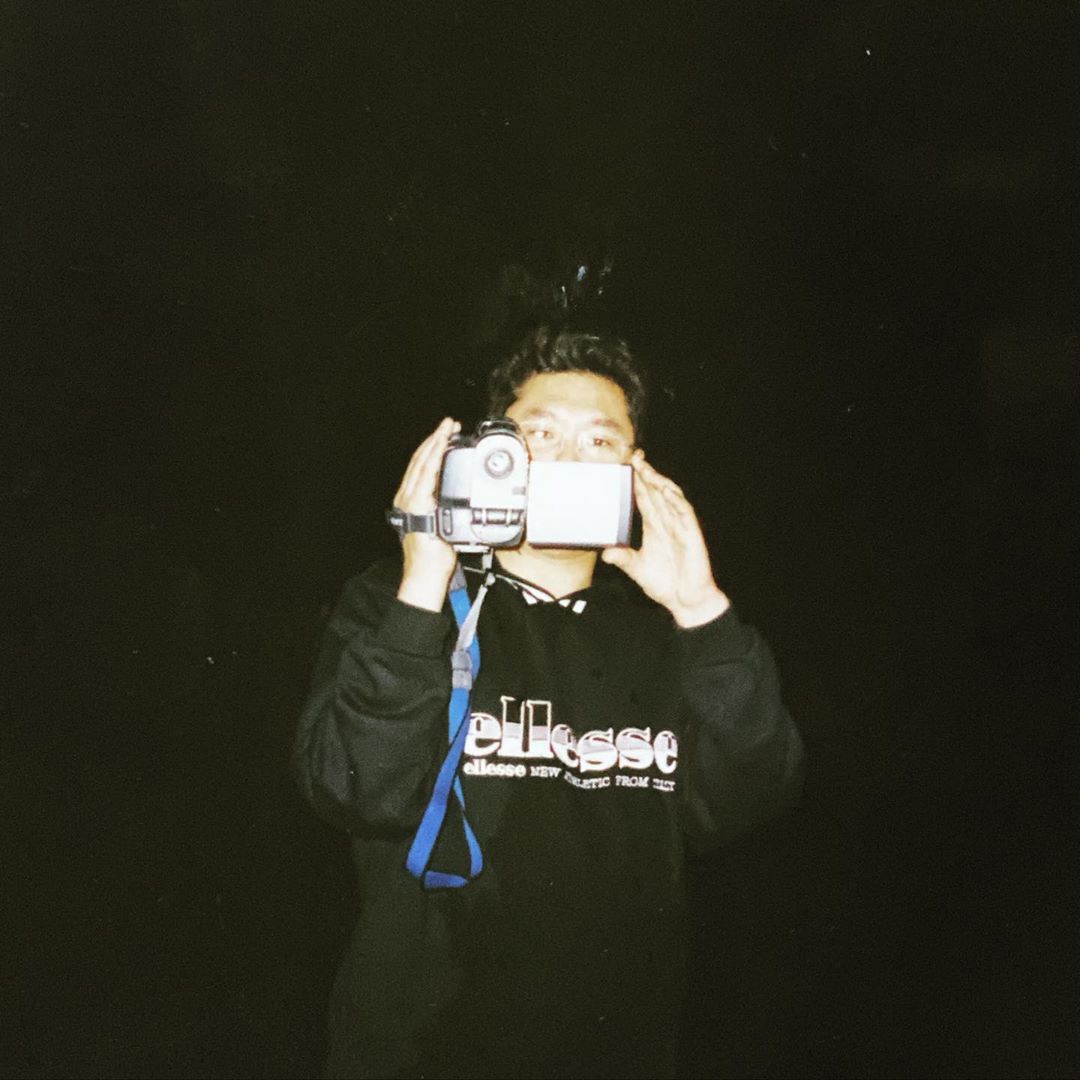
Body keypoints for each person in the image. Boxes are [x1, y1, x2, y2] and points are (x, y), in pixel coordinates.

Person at [293, 325, 805, 1079]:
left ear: (636, 472)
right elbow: (355, 789)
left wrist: (702, 609)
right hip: (420, 1052)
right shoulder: (402, 602)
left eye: (600, 441)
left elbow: (751, 795)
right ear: (489, 458)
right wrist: (423, 579)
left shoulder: (666, 636)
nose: (567, 458)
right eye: (538, 435)